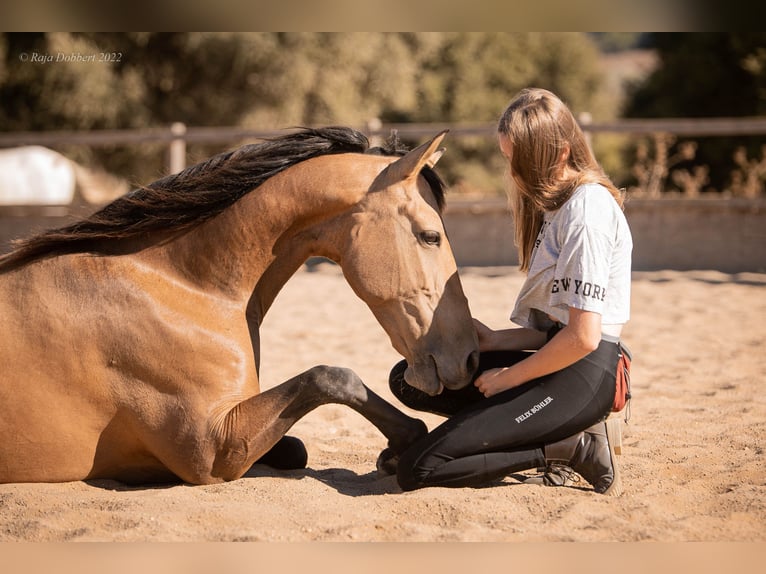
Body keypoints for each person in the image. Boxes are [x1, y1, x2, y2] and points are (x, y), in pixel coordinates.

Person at [389, 87, 633, 495]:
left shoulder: (586, 215)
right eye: (508, 159)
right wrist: (496, 340)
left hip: (582, 378)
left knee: (419, 470)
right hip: (562, 358)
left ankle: (568, 447)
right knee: (409, 380)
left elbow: (584, 337)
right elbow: (558, 328)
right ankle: (519, 432)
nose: (515, 174)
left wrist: (509, 379)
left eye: (521, 161)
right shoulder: (560, 207)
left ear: (559, 153)